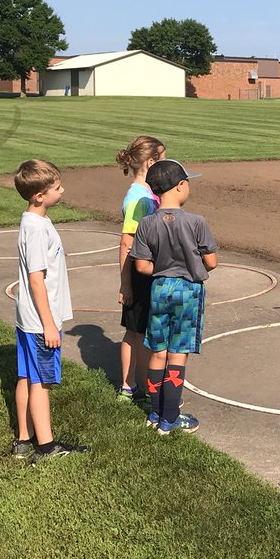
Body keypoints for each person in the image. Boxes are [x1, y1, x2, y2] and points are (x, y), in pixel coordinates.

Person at [130, 159, 218, 435]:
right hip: (188, 291)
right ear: (180, 186)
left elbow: (142, 266)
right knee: (178, 354)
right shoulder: (196, 222)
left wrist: (164, 268)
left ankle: (155, 412)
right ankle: (170, 418)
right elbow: (211, 262)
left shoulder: (146, 223)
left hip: (159, 289)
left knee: (158, 352)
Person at [12, 159, 88, 463]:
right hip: (39, 321)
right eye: (56, 188)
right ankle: (46, 446)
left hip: (28, 318)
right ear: (39, 196)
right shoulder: (36, 229)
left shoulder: (35, 222)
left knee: (26, 377)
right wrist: (49, 325)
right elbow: (36, 279)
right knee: (41, 382)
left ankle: (24, 440)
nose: (62, 190)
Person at [115, 135, 166, 403]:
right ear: (150, 162)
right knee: (138, 332)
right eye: (163, 157)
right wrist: (126, 284)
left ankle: (138, 383)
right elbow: (127, 243)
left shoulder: (146, 194)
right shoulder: (140, 200)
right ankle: (134, 385)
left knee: (138, 331)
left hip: (146, 270)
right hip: (139, 274)